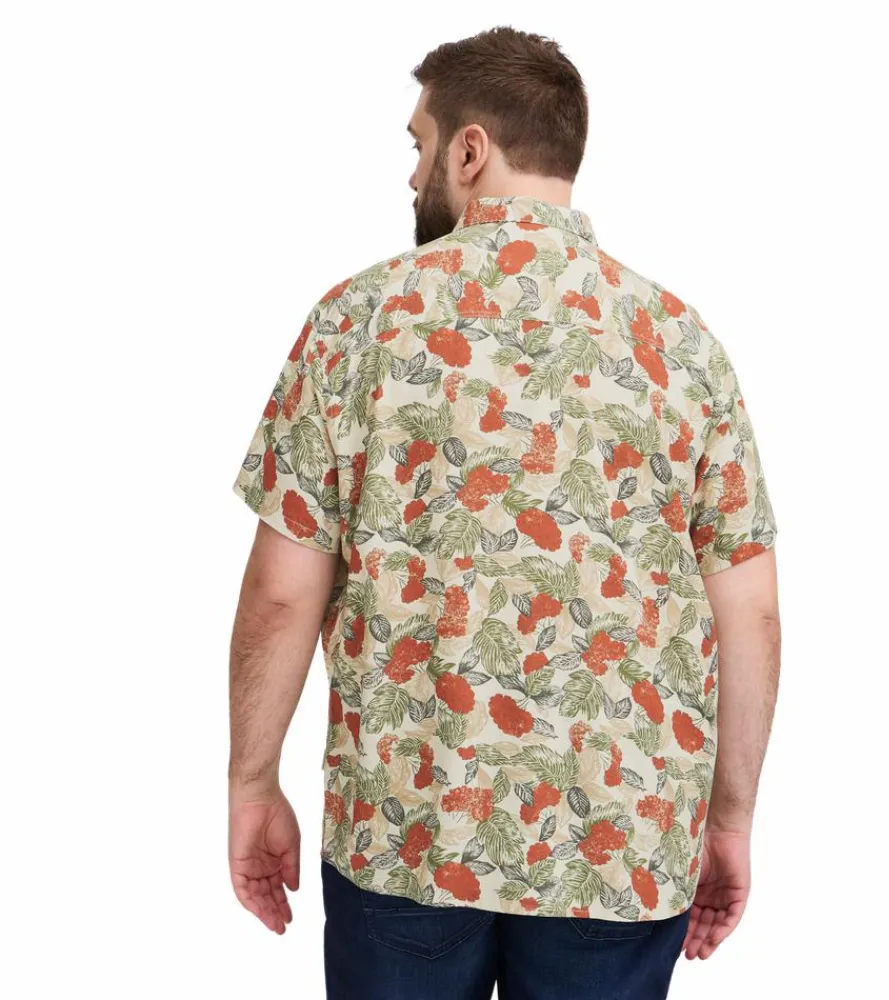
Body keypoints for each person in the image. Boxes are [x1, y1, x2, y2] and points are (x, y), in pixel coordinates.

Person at [228, 24, 781, 1000]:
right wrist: (729, 816)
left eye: (419, 144)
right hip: (619, 846)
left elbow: (282, 592)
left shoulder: (358, 322)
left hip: (408, 838)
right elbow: (752, 611)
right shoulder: (682, 345)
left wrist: (250, 781)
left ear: (471, 150)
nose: (412, 174)